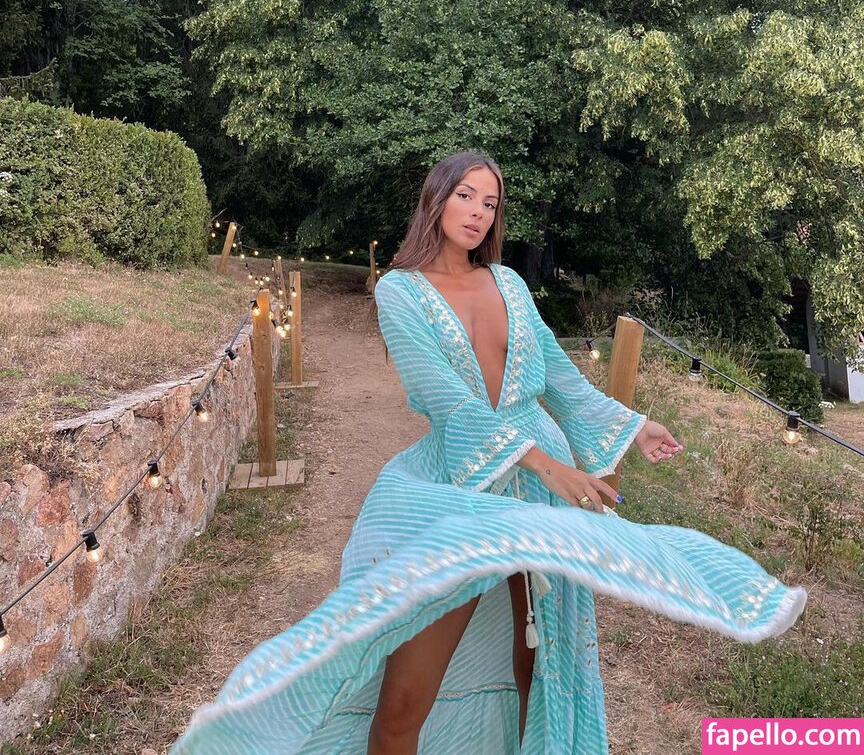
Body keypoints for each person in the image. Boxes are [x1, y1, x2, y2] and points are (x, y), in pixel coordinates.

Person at [171, 149, 807, 755]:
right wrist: (547, 465)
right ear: (437, 200)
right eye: (465, 195)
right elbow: (445, 399)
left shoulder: (508, 283)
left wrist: (634, 426)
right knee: (402, 703)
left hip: (539, 499)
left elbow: (558, 377)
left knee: (540, 672)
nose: (477, 212)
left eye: (490, 203)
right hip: (462, 488)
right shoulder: (400, 291)